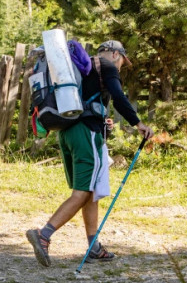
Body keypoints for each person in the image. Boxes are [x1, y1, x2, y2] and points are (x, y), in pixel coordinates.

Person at [26, 40, 154, 267]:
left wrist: (101, 120)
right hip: (86, 134)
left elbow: (86, 100)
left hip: (67, 132)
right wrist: (138, 123)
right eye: (123, 61)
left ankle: (93, 246)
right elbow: (118, 96)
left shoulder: (82, 68)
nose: (122, 66)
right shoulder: (107, 66)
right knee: (83, 191)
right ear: (116, 54)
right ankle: (43, 235)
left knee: (90, 190)